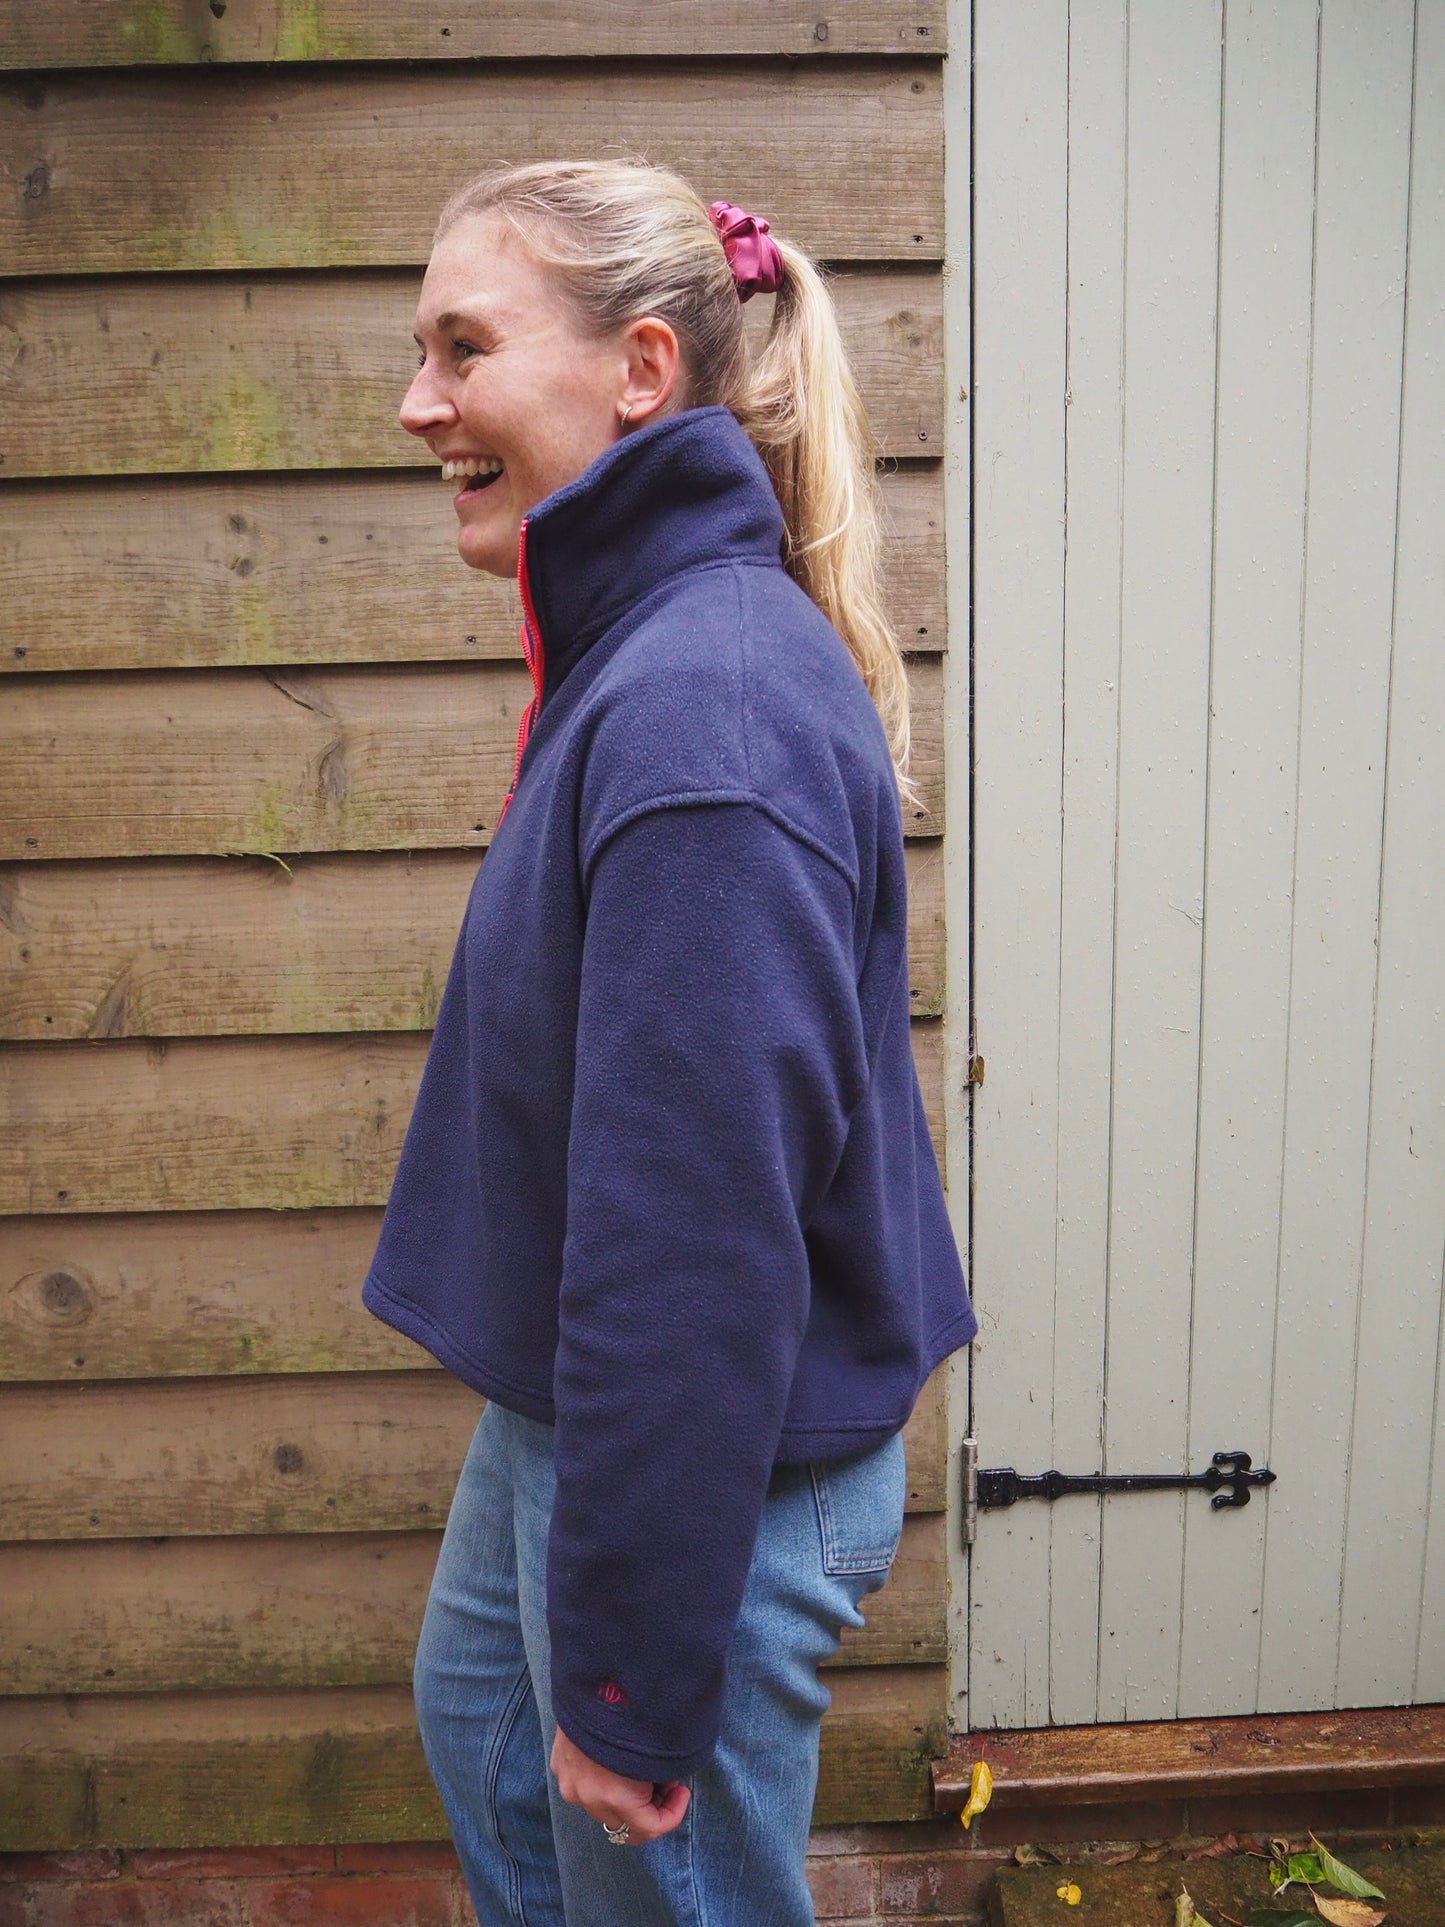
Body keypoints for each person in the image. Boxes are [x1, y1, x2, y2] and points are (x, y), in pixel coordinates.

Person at [362, 158, 976, 1926]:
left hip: (714, 1451)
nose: (421, 403)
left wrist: (630, 1682)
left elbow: (696, 1236)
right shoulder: (636, 647)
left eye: (462, 346)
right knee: (478, 1726)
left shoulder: (700, 709)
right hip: (580, 1411)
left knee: (661, 1893)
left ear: (640, 371)